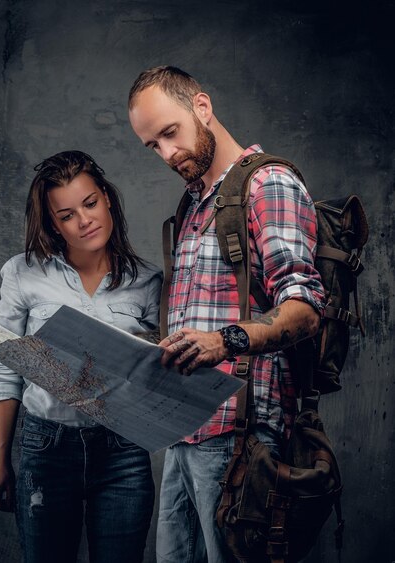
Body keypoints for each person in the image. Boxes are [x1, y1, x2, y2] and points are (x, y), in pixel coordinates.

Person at [127, 66, 326, 562]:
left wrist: (224, 341)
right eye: (153, 146)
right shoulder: (196, 204)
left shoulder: (268, 185)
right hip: (183, 432)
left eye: (170, 134)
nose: (168, 154)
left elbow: (304, 309)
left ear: (202, 106)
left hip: (240, 438)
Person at [0, 150, 162, 563]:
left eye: (90, 203)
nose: (84, 221)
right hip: (47, 447)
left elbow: (156, 374)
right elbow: (6, 371)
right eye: (67, 215)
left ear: (107, 198)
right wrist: (1, 462)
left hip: (123, 453)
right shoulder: (21, 273)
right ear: (53, 223)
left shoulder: (149, 281)